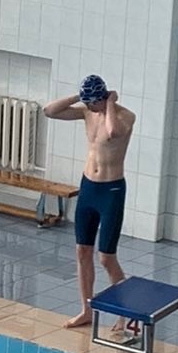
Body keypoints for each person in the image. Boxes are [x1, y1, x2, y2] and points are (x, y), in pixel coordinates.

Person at [45, 75, 136, 328]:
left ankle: (125, 313)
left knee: (106, 257)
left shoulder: (125, 116)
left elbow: (113, 132)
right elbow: (49, 111)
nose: (89, 107)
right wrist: (79, 96)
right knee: (82, 251)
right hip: (88, 188)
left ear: (102, 98)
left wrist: (110, 103)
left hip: (111, 191)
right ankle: (86, 310)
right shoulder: (87, 111)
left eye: (92, 102)